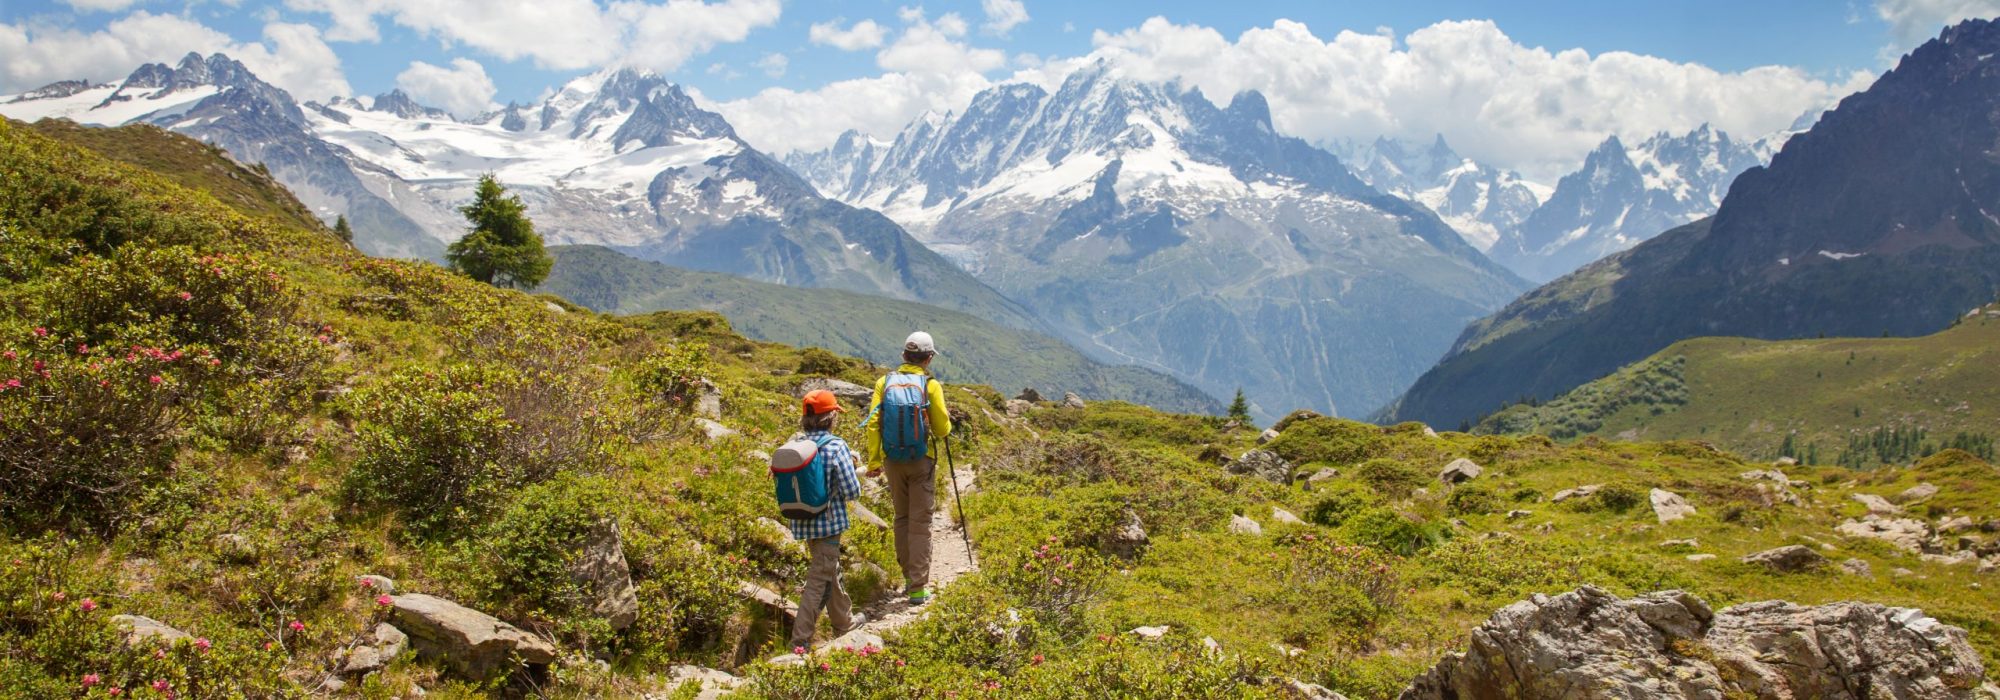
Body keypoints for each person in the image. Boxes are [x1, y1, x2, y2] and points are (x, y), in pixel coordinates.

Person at [864, 331, 953, 605]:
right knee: (921, 523)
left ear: (904, 356)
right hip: (920, 459)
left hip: (892, 460)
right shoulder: (930, 385)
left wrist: (874, 460)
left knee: (901, 518)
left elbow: (872, 423)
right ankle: (917, 586)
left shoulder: (884, 382)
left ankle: (906, 577)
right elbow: (942, 428)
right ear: (928, 359)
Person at [787, 389, 867, 649]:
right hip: (829, 524)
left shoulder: (796, 443)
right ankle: (800, 641)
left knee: (828, 569)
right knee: (818, 581)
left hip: (802, 521)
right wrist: (859, 472)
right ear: (831, 416)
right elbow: (851, 491)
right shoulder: (836, 446)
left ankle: (844, 622)